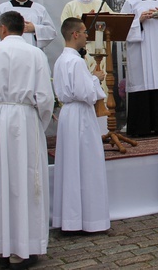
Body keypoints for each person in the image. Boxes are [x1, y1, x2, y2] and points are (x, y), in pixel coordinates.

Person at [0, 11, 54, 268]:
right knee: (27, 182)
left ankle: (2, 246)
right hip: (24, 118)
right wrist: (38, 122)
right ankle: (25, 248)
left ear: (3, 29)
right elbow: (45, 97)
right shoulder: (35, 54)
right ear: (22, 29)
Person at [52, 17, 110, 233]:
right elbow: (85, 93)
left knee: (71, 165)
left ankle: (71, 218)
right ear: (74, 34)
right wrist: (96, 78)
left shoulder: (61, 60)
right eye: (85, 32)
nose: (87, 35)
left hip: (69, 114)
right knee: (86, 163)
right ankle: (88, 219)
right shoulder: (75, 61)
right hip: (80, 115)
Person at [119, 0, 158, 137]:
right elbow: (123, 28)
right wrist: (139, 20)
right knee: (141, 83)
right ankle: (140, 128)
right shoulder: (131, 3)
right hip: (140, 50)